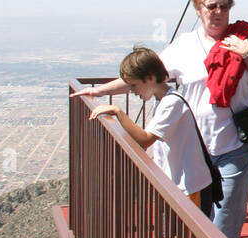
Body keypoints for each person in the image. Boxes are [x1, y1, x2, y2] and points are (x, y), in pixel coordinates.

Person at [73, 0, 248, 238]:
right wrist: (100, 91)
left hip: (236, 142)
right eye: (211, 6)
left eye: (224, 7)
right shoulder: (185, 46)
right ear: (198, 8)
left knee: (227, 212)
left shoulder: (243, 40)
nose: (218, 13)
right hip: (195, 146)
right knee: (198, 209)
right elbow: (146, 76)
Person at [89, 47, 214, 211]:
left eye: (133, 86)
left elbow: (145, 139)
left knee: (186, 235)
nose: (132, 91)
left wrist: (118, 112)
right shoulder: (162, 100)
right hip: (178, 184)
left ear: (150, 78)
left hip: (189, 186)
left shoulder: (172, 103)